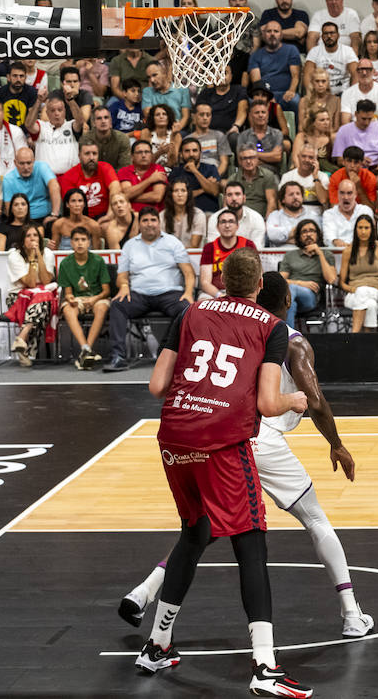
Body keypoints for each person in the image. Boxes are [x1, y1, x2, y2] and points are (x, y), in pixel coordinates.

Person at [120, 270, 374, 638]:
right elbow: (315, 401)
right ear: (287, 301)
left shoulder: (231, 327)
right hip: (259, 437)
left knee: (201, 530)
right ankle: (351, 614)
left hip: (217, 435)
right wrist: (336, 443)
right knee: (314, 519)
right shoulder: (289, 340)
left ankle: (142, 594)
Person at [135, 249, 314, 697]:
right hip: (221, 443)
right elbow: (268, 404)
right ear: (258, 287)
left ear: (221, 278)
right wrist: (295, 402)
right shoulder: (270, 326)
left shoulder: (191, 311)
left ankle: (157, 646)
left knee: (194, 534)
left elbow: (157, 386)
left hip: (174, 437)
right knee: (251, 543)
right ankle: (265, 666)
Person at [102, 208, 196, 372]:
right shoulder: (130, 245)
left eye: (153, 220)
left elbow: (188, 272)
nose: (149, 224)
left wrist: (188, 293)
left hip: (169, 293)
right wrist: (124, 286)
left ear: (159, 223)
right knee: (117, 304)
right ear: (139, 224)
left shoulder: (172, 242)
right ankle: (118, 357)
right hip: (139, 295)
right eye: (145, 220)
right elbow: (121, 276)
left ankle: (170, 355)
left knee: (186, 308)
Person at [57, 226, 111, 369]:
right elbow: (68, 292)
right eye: (76, 240)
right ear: (71, 243)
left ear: (89, 243)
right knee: (68, 309)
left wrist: (94, 299)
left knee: (102, 307)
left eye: (83, 240)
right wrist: (70, 298)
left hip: (97, 297)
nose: (80, 243)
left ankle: (87, 350)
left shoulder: (98, 261)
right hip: (78, 299)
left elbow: (106, 291)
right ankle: (86, 349)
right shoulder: (65, 263)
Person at [5, 224, 56, 367]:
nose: (32, 239)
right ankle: (27, 351)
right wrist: (32, 259)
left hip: (40, 296)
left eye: (35, 235)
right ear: (22, 240)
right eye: (28, 236)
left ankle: (22, 337)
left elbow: (46, 281)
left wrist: (39, 255)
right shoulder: (14, 255)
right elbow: (31, 283)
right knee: (43, 304)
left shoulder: (47, 253)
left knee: (44, 299)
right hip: (18, 297)